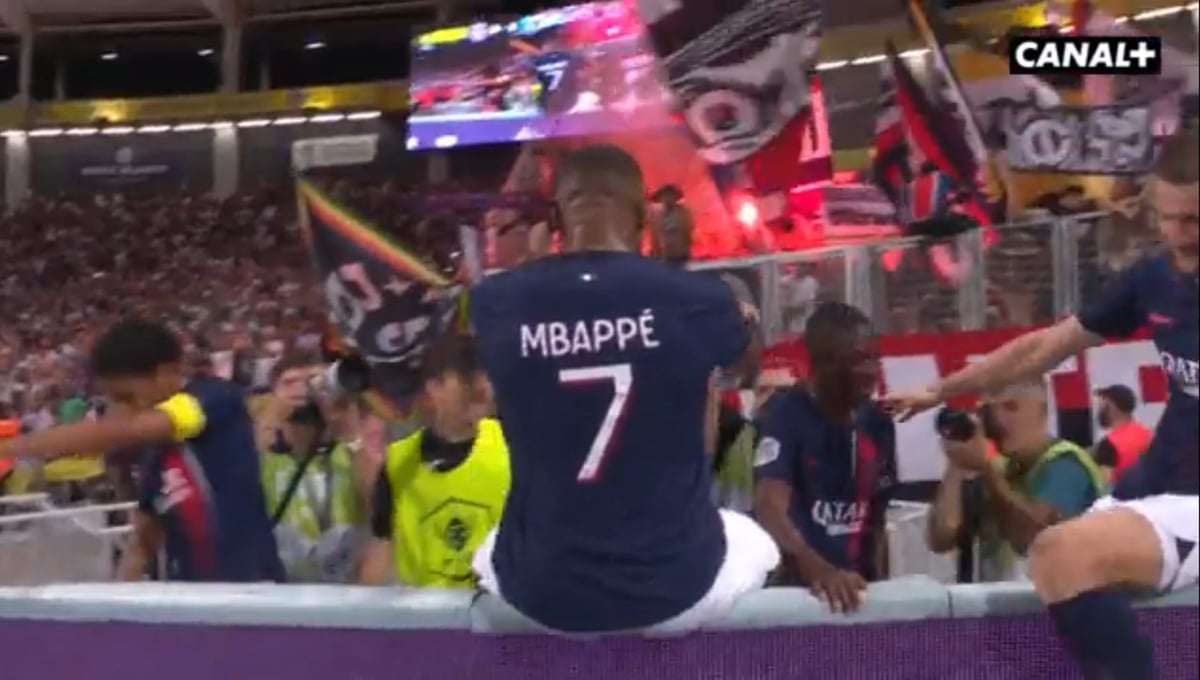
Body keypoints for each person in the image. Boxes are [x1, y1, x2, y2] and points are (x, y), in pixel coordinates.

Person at [886, 128, 1198, 679]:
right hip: (1157, 490)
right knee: (1047, 552)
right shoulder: (1155, 280)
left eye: (1193, 220)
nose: (1179, 235)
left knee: (1062, 554)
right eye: (1167, 218)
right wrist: (939, 389)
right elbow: (1043, 348)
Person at [468, 143, 779, 635]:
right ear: (645, 218)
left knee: (488, 551)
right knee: (754, 541)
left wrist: (534, 266)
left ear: (556, 220)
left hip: (541, 587)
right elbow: (745, 367)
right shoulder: (698, 299)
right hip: (674, 585)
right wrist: (743, 316)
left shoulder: (495, 301)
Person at [0, 318, 283, 583]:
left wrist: (11, 446)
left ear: (166, 373)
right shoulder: (154, 456)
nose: (119, 409)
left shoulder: (214, 399)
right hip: (191, 600)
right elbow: (144, 543)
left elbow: (131, 429)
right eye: (112, 399)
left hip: (253, 593)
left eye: (126, 397)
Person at [753, 302, 896, 613]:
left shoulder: (878, 424)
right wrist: (820, 571)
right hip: (799, 602)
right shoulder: (785, 416)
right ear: (823, 363)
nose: (872, 371)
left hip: (860, 599)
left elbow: (876, 522)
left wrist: (883, 596)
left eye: (875, 358)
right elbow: (768, 506)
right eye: (859, 360)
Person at [359, 333, 508, 588]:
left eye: (440, 381)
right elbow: (380, 548)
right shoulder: (398, 463)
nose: (429, 393)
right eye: (426, 383)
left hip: (497, 606)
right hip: (424, 609)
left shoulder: (513, 446)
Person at [925, 380, 1104, 583]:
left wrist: (989, 471)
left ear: (1042, 410)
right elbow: (941, 538)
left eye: (1011, 407)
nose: (999, 420)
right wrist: (957, 461)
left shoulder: (1066, 464)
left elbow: (1032, 539)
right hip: (1002, 598)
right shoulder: (1000, 468)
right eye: (990, 410)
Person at [257, 349, 373, 583]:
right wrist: (269, 420)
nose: (304, 390)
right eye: (290, 382)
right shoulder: (263, 456)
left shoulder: (351, 452)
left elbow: (383, 504)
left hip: (350, 591)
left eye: (315, 381)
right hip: (280, 593)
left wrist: (351, 433)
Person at [1090, 384, 1153, 484]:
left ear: (1112, 407)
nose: (1099, 409)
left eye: (1102, 404)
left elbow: (1103, 485)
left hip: (1124, 491)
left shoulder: (1109, 444)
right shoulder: (1148, 433)